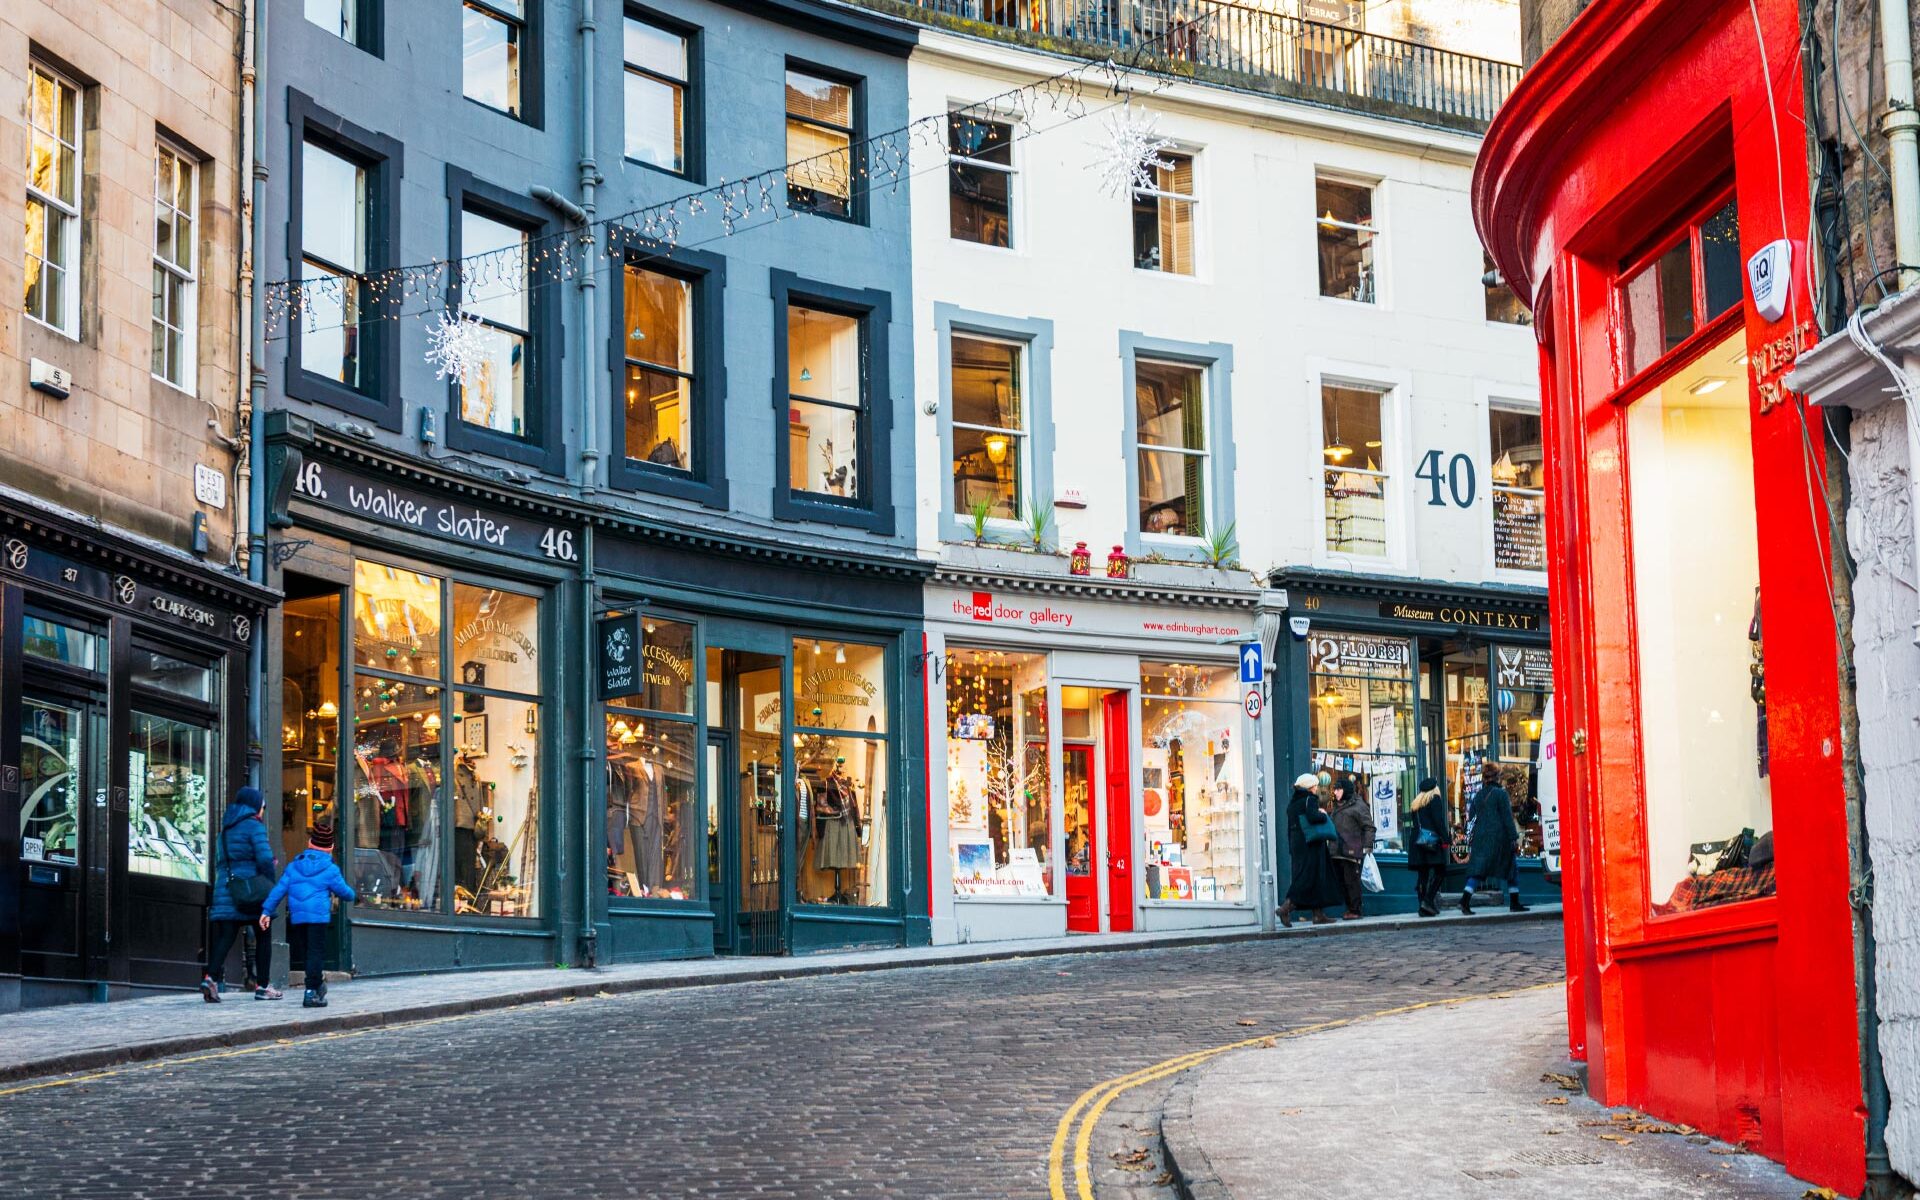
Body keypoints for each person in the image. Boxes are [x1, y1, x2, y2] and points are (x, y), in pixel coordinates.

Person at [259, 820, 356, 1008]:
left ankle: (317, 985)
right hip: (318, 918)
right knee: (315, 954)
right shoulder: (330, 869)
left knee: (307, 954)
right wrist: (352, 893)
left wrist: (266, 911)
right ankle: (311, 991)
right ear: (331, 847)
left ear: (309, 843)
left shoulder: (294, 866)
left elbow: (278, 890)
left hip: (298, 917)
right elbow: (347, 893)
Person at [204, 786, 279, 1002]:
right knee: (263, 934)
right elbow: (264, 859)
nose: (263, 810)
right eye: (262, 806)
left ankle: (210, 977)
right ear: (255, 805)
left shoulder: (225, 830)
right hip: (252, 890)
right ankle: (263, 986)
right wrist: (269, 880)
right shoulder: (254, 826)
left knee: (226, 937)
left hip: (226, 890)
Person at [1278, 772, 1345, 927]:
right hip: (1312, 844)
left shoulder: (1293, 802)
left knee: (1313, 878)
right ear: (1309, 786)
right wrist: (1322, 814)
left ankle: (1318, 914)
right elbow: (1313, 817)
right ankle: (1286, 908)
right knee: (1308, 878)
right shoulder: (1310, 799)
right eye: (1314, 785)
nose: (1316, 788)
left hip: (1298, 845)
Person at [1461, 762, 1526, 914]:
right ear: (1497, 777)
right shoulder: (1501, 794)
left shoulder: (1478, 796)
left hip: (1481, 838)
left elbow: (1471, 817)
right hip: (1499, 838)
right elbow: (1507, 818)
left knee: (1478, 871)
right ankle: (1514, 902)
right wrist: (1514, 837)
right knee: (1511, 868)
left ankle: (1464, 900)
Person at [1329, 775, 1376, 920]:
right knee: (1341, 883)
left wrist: (1367, 846)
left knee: (1352, 883)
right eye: (1334, 789)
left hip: (1352, 850)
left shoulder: (1359, 806)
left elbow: (1369, 827)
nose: (1335, 792)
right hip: (1337, 851)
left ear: (1346, 790)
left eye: (1338, 789)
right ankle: (1350, 909)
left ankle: (1355, 910)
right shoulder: (1337, 806)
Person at [1406, 776, 1450, 917]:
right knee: (1440, 871)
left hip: (1417, 841)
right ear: (1434, 788)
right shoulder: (1434, 799)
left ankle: (1423, 907)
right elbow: (1438, 821)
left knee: (1423, 874)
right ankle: (1428, 901)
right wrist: (1446, 838)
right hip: (1430, 840)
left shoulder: (1416, 803)